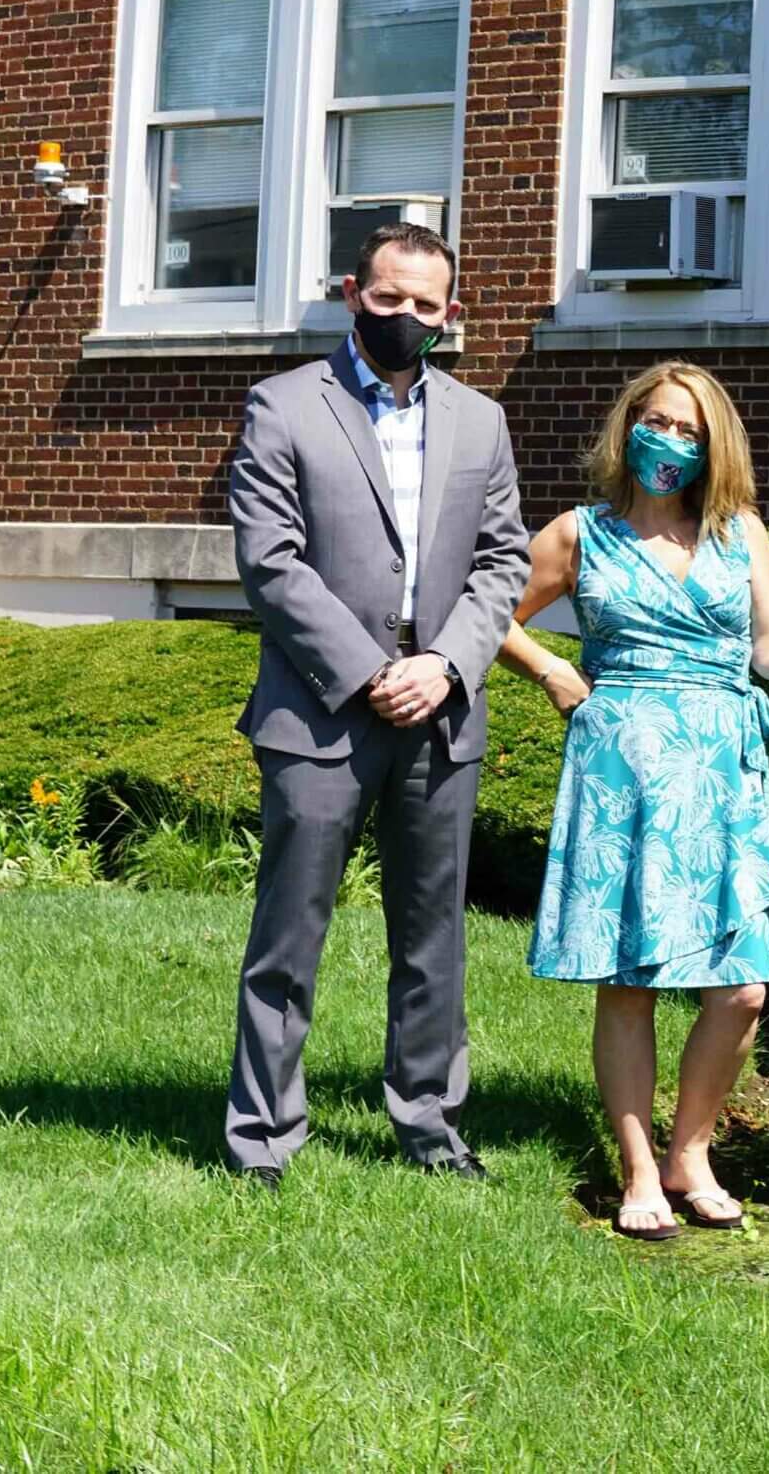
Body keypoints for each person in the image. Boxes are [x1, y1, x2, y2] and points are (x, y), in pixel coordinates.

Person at [500, 362, 769, 1240]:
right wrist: (552, 670)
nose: (671, 443)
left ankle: (692, 1151)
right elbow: (484, 610)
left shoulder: (739, 534)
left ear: (715, 446)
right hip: (625, 774)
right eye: (656, 422)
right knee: (631, 980)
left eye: (690, 432)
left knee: (744, 990)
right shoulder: (580, 534)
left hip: (723, 774)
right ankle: (639, 1168)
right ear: (627, 426)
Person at [226, 222, 531, 1187]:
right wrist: (370, 671)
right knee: (289, 932)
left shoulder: (481, 421)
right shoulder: (282, 407)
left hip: (441, 707)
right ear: (354, 291)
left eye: (426, 305)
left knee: (434, 935)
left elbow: (503, 561)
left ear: (452, 312)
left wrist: (443, 664)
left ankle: (431, 1127)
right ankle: (263, 1138)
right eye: (389, 298)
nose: (406, 317)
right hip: (321, 708)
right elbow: (269, 562)